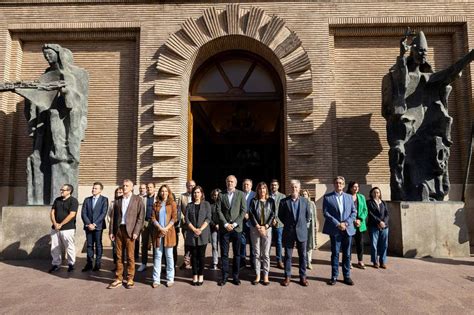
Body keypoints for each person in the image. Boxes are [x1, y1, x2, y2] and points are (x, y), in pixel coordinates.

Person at [108, 179, 145, 289]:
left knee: (130, 256)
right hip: (119, 230)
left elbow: (140, 217)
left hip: (130, 231)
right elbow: (113, 217)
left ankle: (130, 278)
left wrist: (136, 232)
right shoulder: (118, 200)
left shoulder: (138, 200)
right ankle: (119, 278)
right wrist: (111, 231)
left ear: (132, 188)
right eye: (123, 185)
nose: (124, 187)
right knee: (119, 256)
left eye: (126, 186)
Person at [323, 176, 357, 286]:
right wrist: (338, 224)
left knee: (347, 254)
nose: (339, 185)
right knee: (335, 253)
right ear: (334, 184)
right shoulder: (328, 197)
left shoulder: (349, 197)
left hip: (348, 229)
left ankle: (347, 276)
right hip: (335, 229)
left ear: (344, 184)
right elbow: (326, 213)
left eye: (341, 183)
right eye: (337, 183)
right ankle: (334, 276)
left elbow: (353, 212)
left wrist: (346, 223)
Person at [279, 180, 311, 287]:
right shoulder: (284, 201)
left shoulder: (305, 201)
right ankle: (287, 276)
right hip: (289, 232)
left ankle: (303, 277)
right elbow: (281, 216)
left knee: (302, 255)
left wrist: (300, 225)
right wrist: (289, 224)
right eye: (292, 187)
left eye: (296, 187)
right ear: (290, 188)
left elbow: (308, 216)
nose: (294, 189)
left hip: (302, 232)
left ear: (299, 188)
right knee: (288, 256)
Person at [216, 175, 246, 286]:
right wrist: (225, 224)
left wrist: (233, 224)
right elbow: (218, 210)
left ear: (236, 183)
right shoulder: (221, 195)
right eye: (228, 181)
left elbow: (243, 211)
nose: (230, 183)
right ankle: (224, 277)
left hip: (237, 228)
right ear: (226, 182)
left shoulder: (241, 194)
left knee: (237, 254)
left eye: (232, 181)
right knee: (224, 254)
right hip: (225, 229)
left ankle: (235, 276)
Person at [151, 184, 178, 288]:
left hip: (169, 233)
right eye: (162, 191)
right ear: (159, 192)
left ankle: (170, 279)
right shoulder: (156, 204)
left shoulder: (172, 204)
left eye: (166, 191)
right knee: (157, 256)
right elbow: (153, 218)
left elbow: (174, 218)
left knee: (169, 256)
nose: (164, 193)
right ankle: (156, 280)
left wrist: (166, 228)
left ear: (169, 192)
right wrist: (160, 228)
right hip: (158, 233)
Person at [248, 182, 275, 285]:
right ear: (257, 190)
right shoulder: (253, 201)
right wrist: (258, 226)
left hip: (267, 229)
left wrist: (266, 226)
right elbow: (251, 214)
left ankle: (266, 276)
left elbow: (273, 214)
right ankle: (258, 275)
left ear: (266, 190)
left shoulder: (271, 201)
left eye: (264, 188)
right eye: (260, 189)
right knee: (256, 253)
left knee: (266, 254)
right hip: (255, 229)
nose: (262, 190)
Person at [48, 184, 79, 273]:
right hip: (55, 228)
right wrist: (55, 223)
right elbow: (52, 212)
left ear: (69, 191)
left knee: (69, 247)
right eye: (61, 189)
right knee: (54, 247)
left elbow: (72, 214)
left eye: (63, 190)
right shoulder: (57, 200)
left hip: (68, 229)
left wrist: (61, 224)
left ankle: (71, 264)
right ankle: (56, 264)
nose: (61, 191)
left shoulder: (73, 201)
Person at [185, 186, 211, 286]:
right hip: (192, 233)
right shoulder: (189, 205)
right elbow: (187, 219)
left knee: (201, 256)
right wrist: (194, 229)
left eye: (198, 192)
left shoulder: (206, 204)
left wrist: (200, 229)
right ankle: (194, 275)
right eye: (195, 192)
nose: (196, 194)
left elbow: (208, 218)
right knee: (194, 256)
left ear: (202, 193)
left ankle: (201, 275)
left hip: (202, 233)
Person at [81, 182, 108, 272]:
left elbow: (103, 213)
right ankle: (89, 263)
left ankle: (97, 264)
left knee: (98, 244)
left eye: (96, 188)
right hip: (88, 226)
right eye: (93, 188)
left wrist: (95, 224)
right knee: (89, 245)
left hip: (98, 226)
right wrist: (89, 224)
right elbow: (83, 213)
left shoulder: (104, 200)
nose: (93, 190)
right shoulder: (87, 200)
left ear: (100, 190)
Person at [346, 181, 368, 269]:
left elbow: (365, 210)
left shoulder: (361, 197)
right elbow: (345, 210)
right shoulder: (346, 197)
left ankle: (360, 261)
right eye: (354, 187)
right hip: (350, 223)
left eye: (357, 187)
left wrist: (360, 219)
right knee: (349, 243)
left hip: (359, 224)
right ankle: (349, 261)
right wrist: (353, 220)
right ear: (350, 188)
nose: (356, 188)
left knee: (360, 243)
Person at [367, 187, 389, 269]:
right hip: (374, 226)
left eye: (378, 192)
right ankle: (375, 261)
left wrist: (384, 223)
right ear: (371, 193)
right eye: (374, 192)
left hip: (384, 227)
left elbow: (387, 214)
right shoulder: (369, 202)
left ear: (380, 194)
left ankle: (382, 261)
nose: (376, 194)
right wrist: (379, 222)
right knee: (374, 244)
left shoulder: (383, 202)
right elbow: (370, 214)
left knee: (384, 245)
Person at [137, 182, 157, 272]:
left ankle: (155, 264)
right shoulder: (142, 198)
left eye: (151, 187)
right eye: (148, 187)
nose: (149, 189)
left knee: (155, 244)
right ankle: (143, 263)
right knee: (144, 244)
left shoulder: (157, 198)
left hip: (155, 223)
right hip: (145, 223)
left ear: (154, 188)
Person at [178, 180, 196, 269]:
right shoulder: (182, 196)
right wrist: (183, 218)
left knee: (195, 243)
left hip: (196, 225)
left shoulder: (198, 195)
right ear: (186, 186)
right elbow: (179, 210)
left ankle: (193, 262)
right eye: (189, 186)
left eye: (193, 186)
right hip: (186, 224)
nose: (191, 187)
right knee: (187, 243)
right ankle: (186, 262)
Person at [270, 179, 286, 269]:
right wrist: (271, 220)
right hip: (268, 224)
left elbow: (284, 211)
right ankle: (266, 260)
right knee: (267, 243)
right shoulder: (267, 196)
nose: (273, 186)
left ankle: (279, 260)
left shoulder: (283, 196)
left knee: (279, 242)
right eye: (272, 185)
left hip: (279, 224)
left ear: (278, 186)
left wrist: (276, 220)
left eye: (275, 185)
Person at [241, 179, 256, 269]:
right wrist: (243, 215)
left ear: (251, 185)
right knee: (242, 243)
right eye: (244, 184)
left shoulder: (255, 195)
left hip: (252, 223)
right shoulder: (240, 194)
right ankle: (242, 262)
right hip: (242, 223)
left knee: (253, 244)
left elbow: (256, 208)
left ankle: (253, 262)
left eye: (248, 184)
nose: (246, 186)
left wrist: (249, 215)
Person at [107, 186, 123, 271]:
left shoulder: (125, 202)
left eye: (120, 192)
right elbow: (109, 215)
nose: (118, 194)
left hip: (123, 228)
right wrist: (111, 226)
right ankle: (116, 265)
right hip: (114, 228)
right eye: (117, 192)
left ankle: (123, 265)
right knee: (115, 248)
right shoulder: (113, 203)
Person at [301, 189, 317, 270]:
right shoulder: (300, 204)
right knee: (303, 245)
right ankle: (304, 261)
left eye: (305, 194)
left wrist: (315, 227)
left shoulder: (312, 204)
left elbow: (314, 216)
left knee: (310, 245)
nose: (304, 196)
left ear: (308, 195)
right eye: (303, 195)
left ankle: (309, 261)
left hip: (310, 226)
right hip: (302, 227)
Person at [209, 188, 221, 270]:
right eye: (214, 195)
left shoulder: (223, 206)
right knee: (214, 245)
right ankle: (215, 262)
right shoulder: (210, 206)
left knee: (223, 246)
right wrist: (214, 224)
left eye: (217, 195)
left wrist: (221, 224)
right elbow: (209, 217)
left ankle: (223, 262)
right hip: (214, 228)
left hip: (223, 228)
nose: (216, 197)